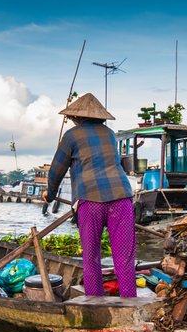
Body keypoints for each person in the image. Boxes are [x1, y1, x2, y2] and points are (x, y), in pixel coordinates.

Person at [42, 93, 137, 297]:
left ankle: (95, 302)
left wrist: (49, 196)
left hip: (91, 200)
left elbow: (56, 170)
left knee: (91, 257)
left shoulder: (71, 135)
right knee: (124, 257)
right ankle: (130, 303)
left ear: (76, 118)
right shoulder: (110, 134)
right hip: (121, 198)